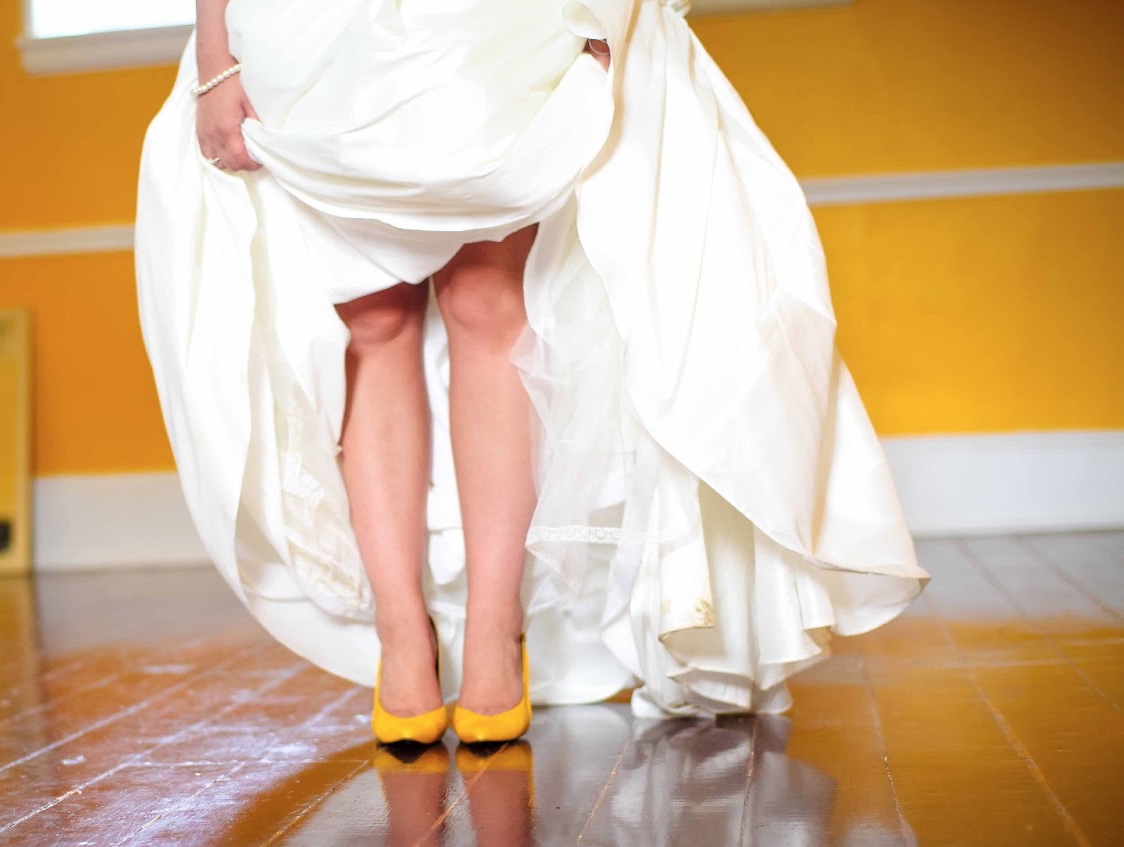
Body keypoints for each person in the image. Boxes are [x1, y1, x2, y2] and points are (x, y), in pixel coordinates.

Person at [135, 0, 928, 745]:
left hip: (481, 22)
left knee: (486, 301)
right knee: (372, 321)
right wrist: (215, 57)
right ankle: (401, 631)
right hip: (310, 29)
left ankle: (494, 626)